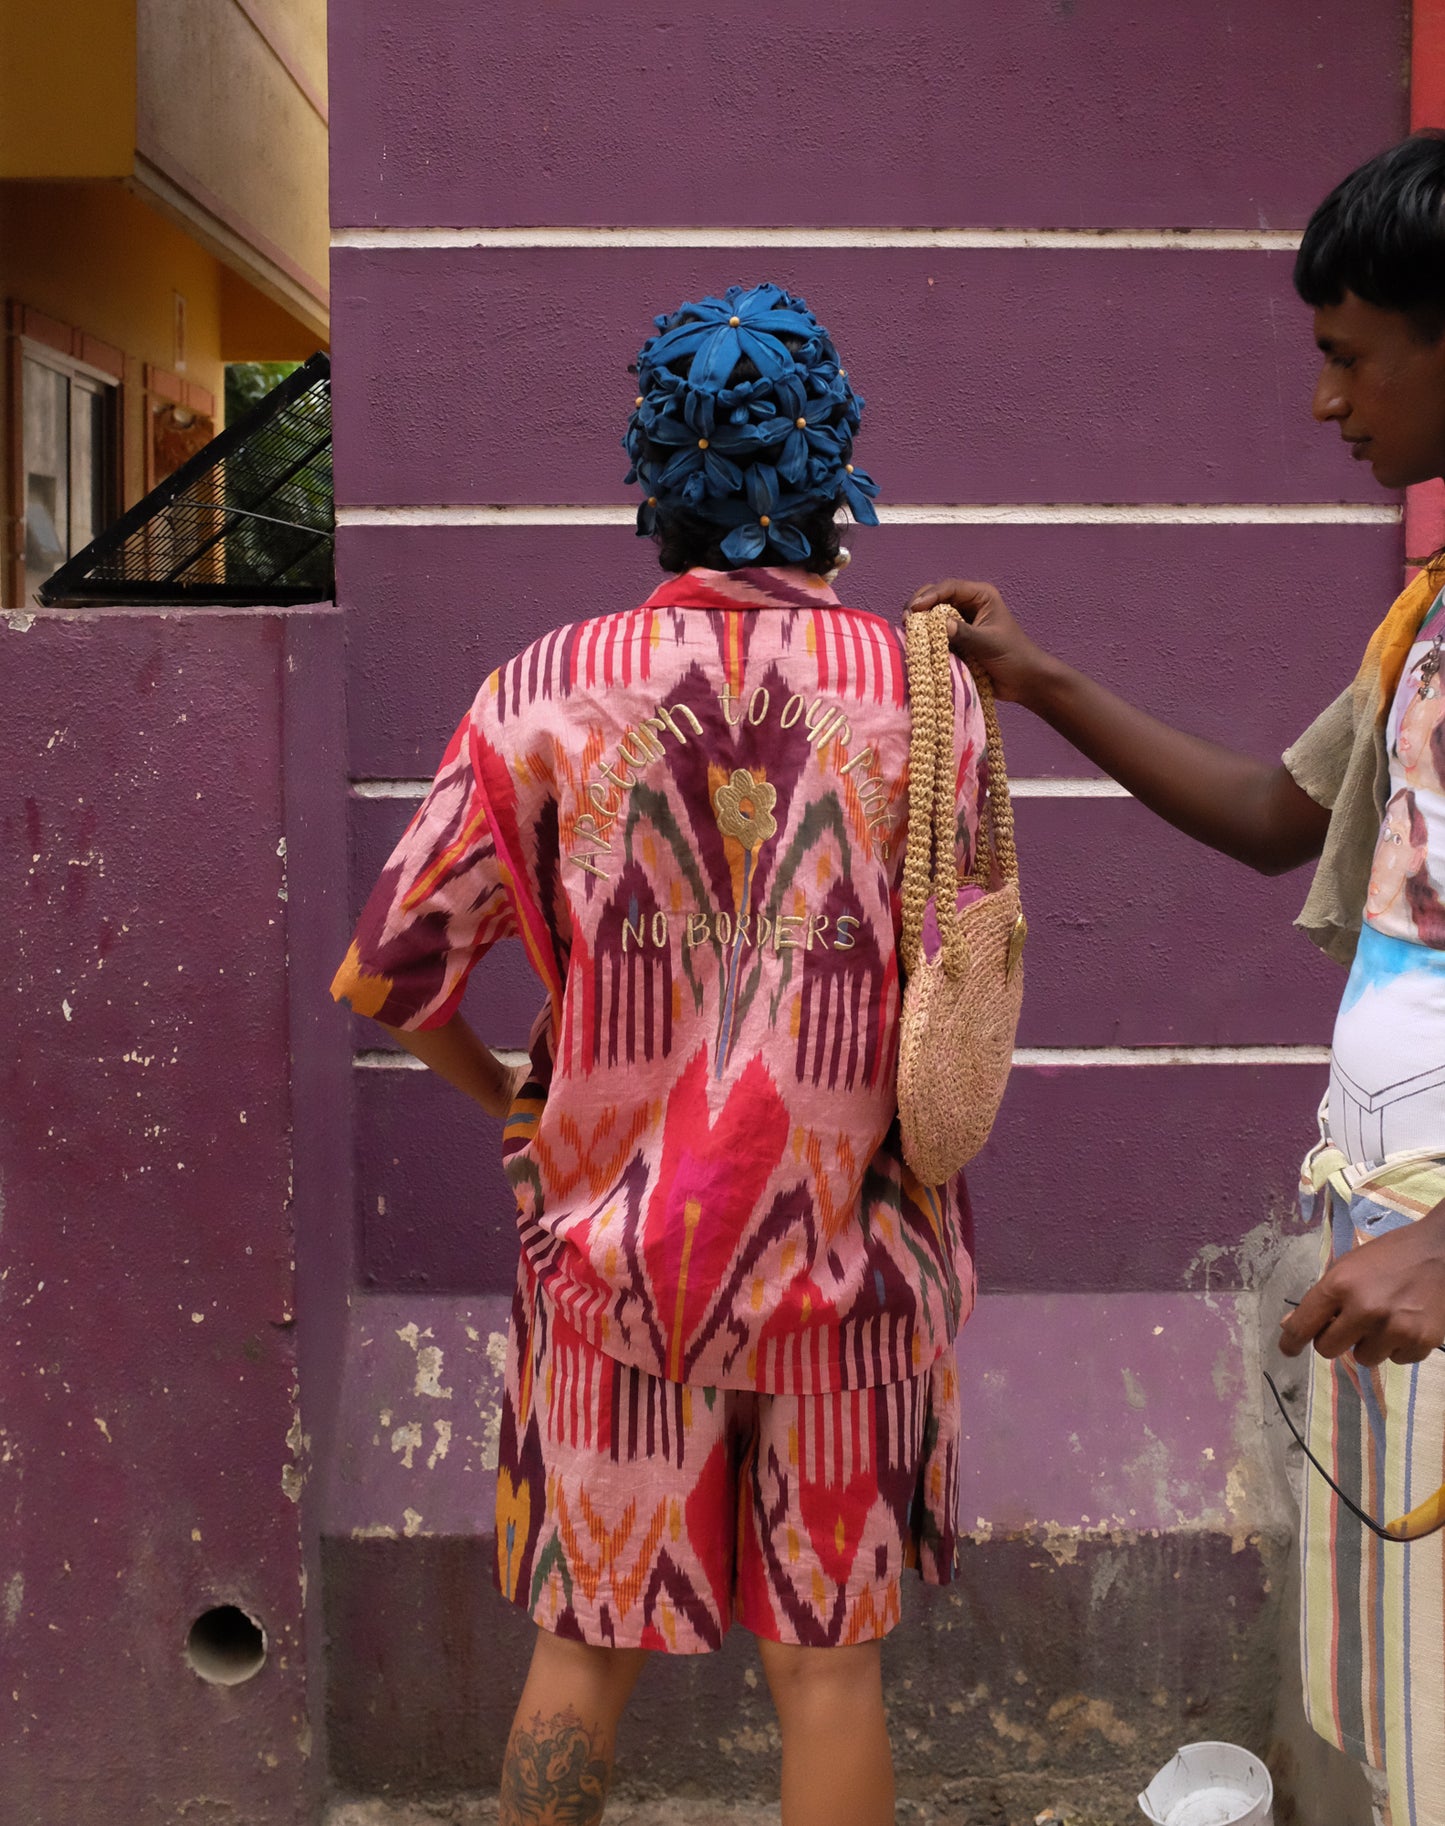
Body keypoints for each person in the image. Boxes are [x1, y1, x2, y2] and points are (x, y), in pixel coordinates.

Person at [332, 283, 986, 1826]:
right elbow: (962, 973)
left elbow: (393, 972)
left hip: (614, 1268)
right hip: (857, 1267)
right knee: (827, 1677)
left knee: (579, 1650)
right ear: (831, 476)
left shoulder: (538, 692)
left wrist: (517, 1105)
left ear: (653, 480)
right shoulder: (929, 696)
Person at [908, 132, 1445, 1826]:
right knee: (1410, 1713)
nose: (1324, 402)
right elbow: (1276, 819)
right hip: (1387, 1241)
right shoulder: (1423, 621)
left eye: (1348, 355)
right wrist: (1041, 679)